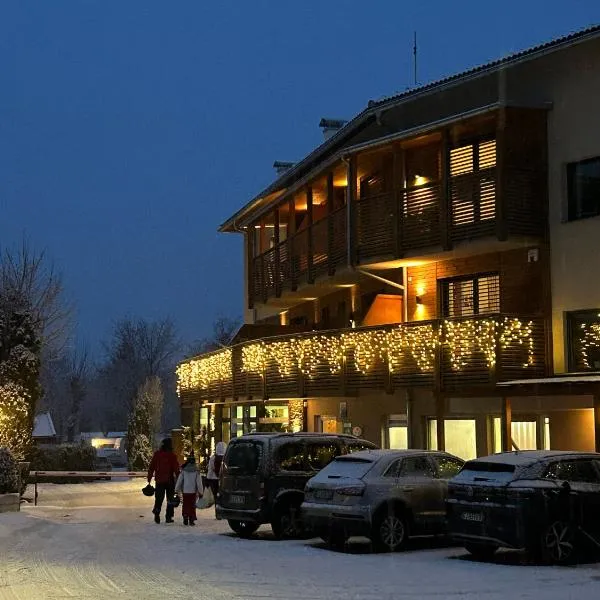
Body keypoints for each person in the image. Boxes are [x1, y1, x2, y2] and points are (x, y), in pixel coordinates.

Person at [147, 438, 180, 524]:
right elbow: (176, 469)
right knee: (170, 499)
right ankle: (168, 517)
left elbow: (151, 467)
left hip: (159, 480)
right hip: (170, 481)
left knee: (159, 498)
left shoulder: (157, 455)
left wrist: (149, 479)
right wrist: (179, 479)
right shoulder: (172, 456)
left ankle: (157, 514)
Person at [175, 454, 204, 526]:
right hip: (193, 491)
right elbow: (199, 482)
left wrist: (176, 489)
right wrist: (201, 492)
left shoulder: (184, 470)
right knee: (192, 505)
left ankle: (185, 516)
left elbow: (180, 480)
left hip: (185, 491)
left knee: (185, 504)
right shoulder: (196, 471)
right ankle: (191, 519)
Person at [206, 441, 226, 508]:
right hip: (222, 478)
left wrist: (208, 479)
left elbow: (211, 468)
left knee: (215, 495)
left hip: (213, 479)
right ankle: (222, 507)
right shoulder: (225, 458)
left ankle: (217, 508)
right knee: (222, 494)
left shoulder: (213, 458)